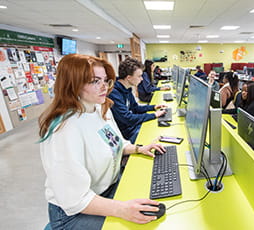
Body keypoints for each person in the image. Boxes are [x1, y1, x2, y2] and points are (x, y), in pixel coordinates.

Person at [38, 54, 166, 229]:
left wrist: (138, 148)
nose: (104, 86)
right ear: (72, 84)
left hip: (105, 192)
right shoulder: (64, 130)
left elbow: (116, 143)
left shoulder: (99, 108)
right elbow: (75, 199)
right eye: (94, 81)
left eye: (105, 80)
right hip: (73, 214)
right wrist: (122, 209)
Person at [108, 57, 167, 143]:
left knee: (158, 130)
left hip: (133, 127)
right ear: (128, 77)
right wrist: (154, 115)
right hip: (127, 135)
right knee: (158, 137)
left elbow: (135, 108)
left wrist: (153, 107)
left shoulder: (127, 89)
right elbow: (128, 118)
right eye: (139, 76)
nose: (142, 79)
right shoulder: (114, 93)